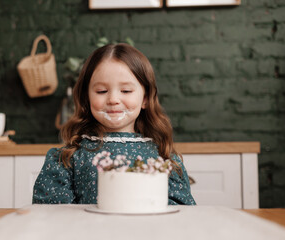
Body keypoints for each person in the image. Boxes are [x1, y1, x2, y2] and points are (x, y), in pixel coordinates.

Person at [33, 43, 196, 205]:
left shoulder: (165, 158)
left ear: (145, 99)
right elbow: (52, 218)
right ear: (86, 97)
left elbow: (182, 215)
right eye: (102, 91)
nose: (113, 100)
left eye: (126, 91)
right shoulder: (67, 158)